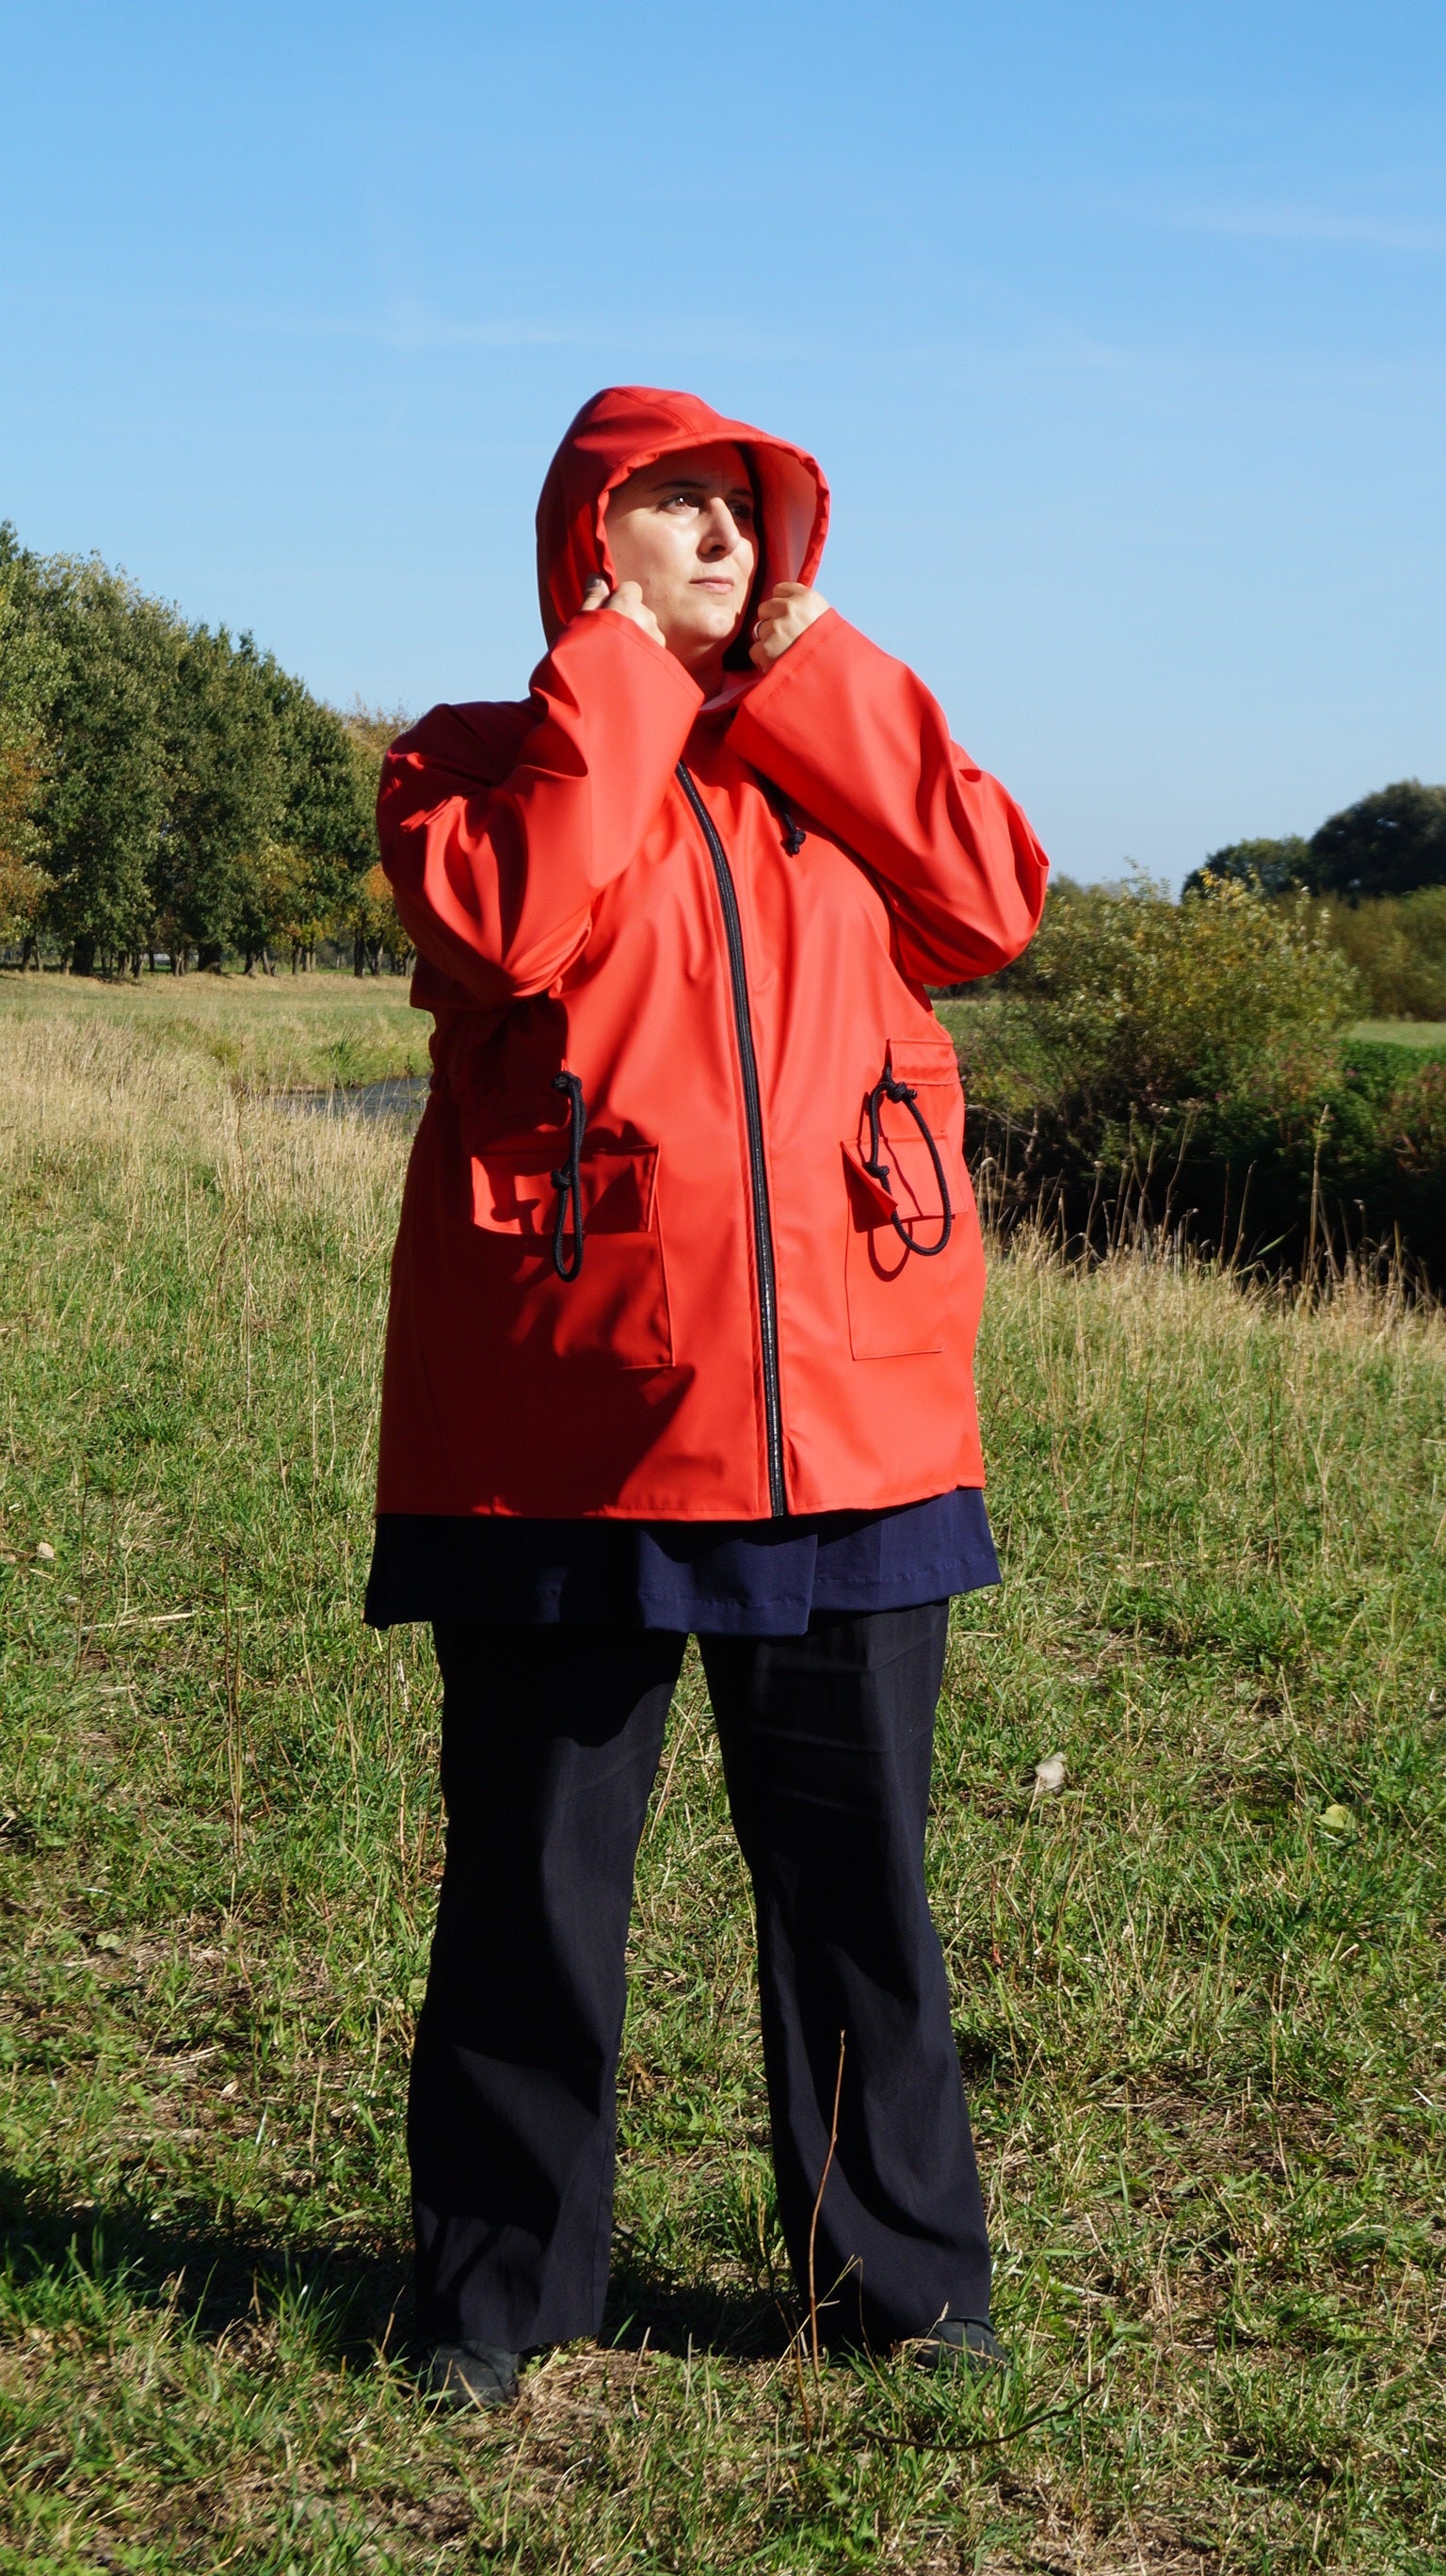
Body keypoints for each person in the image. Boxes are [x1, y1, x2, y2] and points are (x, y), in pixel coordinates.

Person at [365, 384, 1048, 2410]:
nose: (726, 536)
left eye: (748, 507)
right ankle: (499, 2297)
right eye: (676, 503)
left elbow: (990, 901)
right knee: (532, 1881)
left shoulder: (824, 764)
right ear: (589, 539)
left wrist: (820, 683)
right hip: (566, 1419)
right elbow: (509, 924)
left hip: (854, 1415)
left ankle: (901, 2290)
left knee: (861, 1886)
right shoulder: (471, 760)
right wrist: (618, 677)